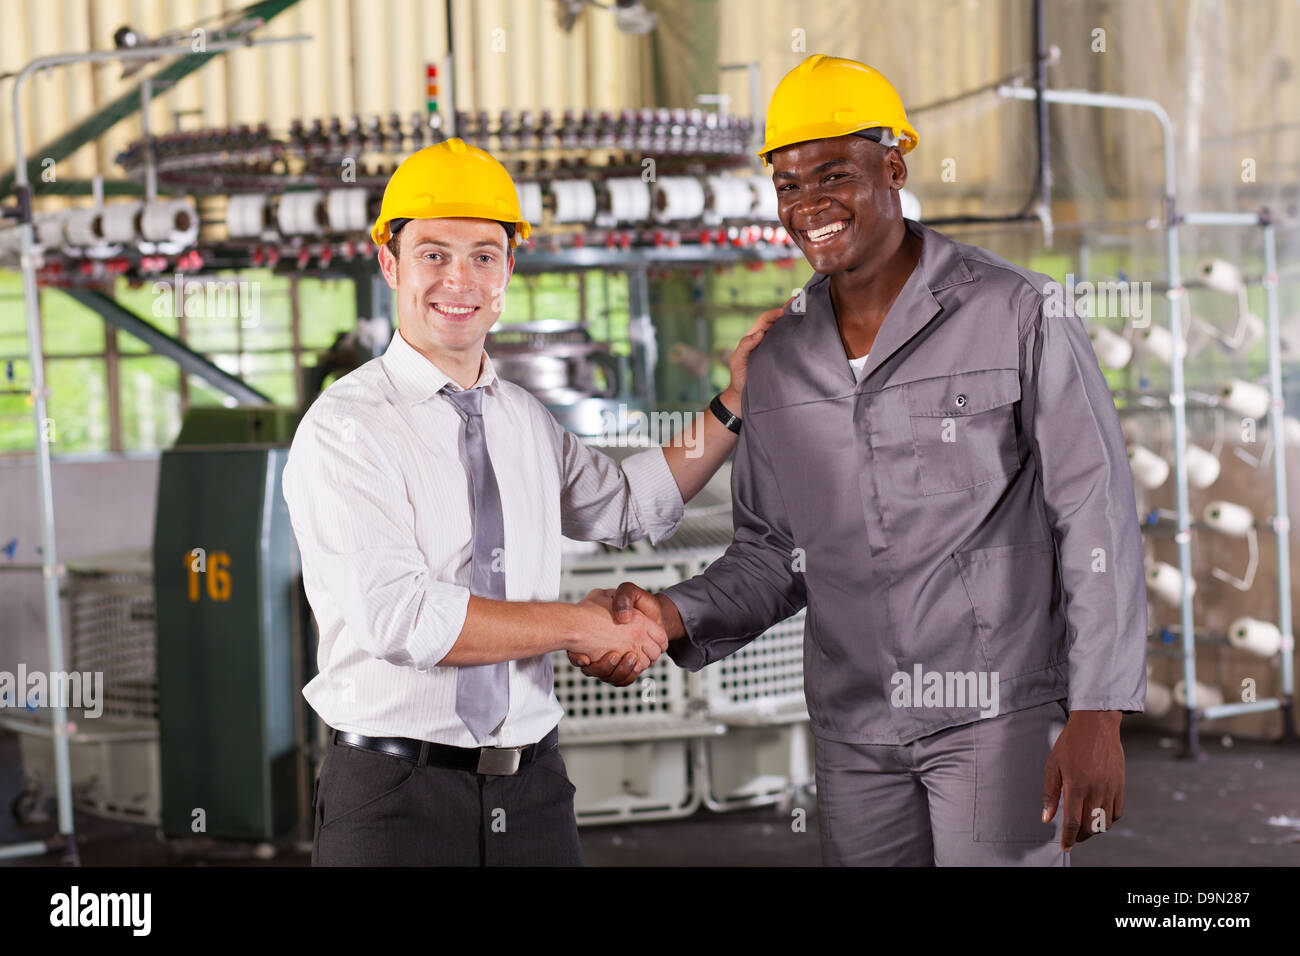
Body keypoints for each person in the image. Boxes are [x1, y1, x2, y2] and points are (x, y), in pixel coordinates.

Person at [580, 54, 1147, 866]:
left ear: (894, 166)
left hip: (997, 716)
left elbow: (1096, 514)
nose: (808, 205)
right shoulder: (778, 362)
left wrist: (1100, 709)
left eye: (833, 174)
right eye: (787, 186)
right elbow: (774, 555)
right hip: (854, 733)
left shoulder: (1017, 312)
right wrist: (671, 617)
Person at [282, 138, 777, 866]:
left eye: (484, 254)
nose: (460, 278)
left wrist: (734, 401)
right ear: (389, 262)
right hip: (395, 800)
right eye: (433, 254)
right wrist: (580, 625)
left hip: (533, 793)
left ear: (510, 268)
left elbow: (628, 505)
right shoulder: (346, 427)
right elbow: (405, 618)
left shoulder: (522, 418)